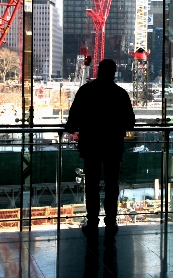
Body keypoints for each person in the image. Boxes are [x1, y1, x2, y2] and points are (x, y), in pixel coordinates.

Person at [65, 59, 135, 237]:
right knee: (112, 184)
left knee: (92, 184)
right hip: (113, 145)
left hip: (91, 145)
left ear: (98, 71)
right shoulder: (120, 94)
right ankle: (111, 221)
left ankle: (93, 221)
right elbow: (130, 122)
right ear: (114, 72)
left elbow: (72, 121)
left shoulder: (86, 91)